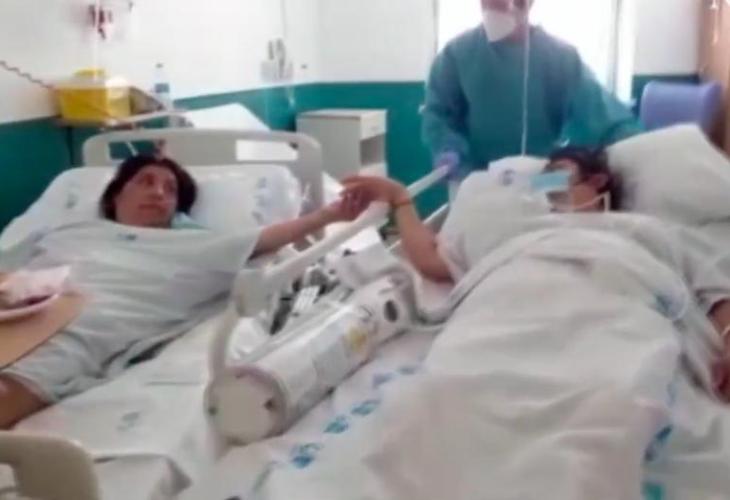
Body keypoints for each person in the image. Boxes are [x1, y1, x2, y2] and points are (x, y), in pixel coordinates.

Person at [0, 155, 367, 428]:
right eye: (145, 182)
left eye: (170, 190)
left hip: (85, 327)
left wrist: (331, 215)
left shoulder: (195, 245)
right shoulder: (68, 232)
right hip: (19, 307)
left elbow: (265, 240)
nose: (158, 193)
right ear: (114, 196)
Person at [341, 147, 730, 399]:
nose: (545, 184)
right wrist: (400, 198)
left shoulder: (646, 231)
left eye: (557, 173)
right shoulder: (511, 229)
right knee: (452, 391)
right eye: (541, 177)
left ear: (597, 181)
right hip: (507, 314)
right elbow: (429, 261)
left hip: (615, 320)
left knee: (621, 392)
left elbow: (716, 291)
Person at [424, 0, 642, 178]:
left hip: (542, 180)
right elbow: (439, 115)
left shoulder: (560, 57)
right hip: (478, 181)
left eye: (501, 3)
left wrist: (638, 148)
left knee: (543, 215)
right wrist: (447, 150)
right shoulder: (458, 54)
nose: (492, 6)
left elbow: (601, 115)